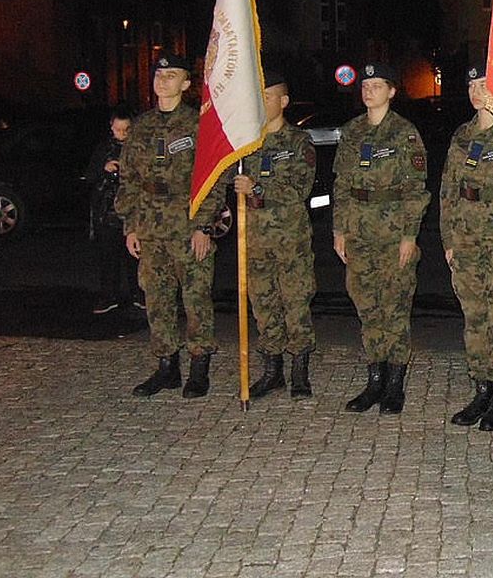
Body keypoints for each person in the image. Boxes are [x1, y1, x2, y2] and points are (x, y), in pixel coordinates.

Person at [115, 53, 223, 398]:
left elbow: (213, 178)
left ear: (186, 84)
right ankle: (166, 367)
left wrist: (204, 226)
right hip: (150, 225)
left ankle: (199, 367)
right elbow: (128, 178)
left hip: (186, 224)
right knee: (157, 299)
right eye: (159, 74)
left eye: (171, 75)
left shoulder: (198, 124)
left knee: (195, 299)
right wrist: (131, 225)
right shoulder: (141, 126)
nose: (163, 80)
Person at [332, 62, 429, 414]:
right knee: (366, 306)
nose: (368, 90)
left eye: (377, 85)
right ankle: (374, 379)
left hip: (392, 233)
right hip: (358, 231)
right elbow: (341, 185)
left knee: (395, 306)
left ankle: (394, 384)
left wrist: (409, 235)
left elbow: (416, 189)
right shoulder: (352, 132)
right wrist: (338, 229)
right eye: (365, 84)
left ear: (391, 91)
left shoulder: (404, 134)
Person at [440, 63, 493, 431]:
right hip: (467, 242)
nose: (477, 91)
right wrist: (448, 241)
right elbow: (447, 191)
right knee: (474, 319)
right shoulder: (462, 135)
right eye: (472, 85)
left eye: (484, 84)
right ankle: (481, 389)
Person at [232, 66, 318, 400]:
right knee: (263, 304)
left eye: (267, 95)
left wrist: (257, 188)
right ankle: (272, 371)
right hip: (253, 240)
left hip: (289, 240)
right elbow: (231, 181)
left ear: (283, 101)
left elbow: (300, 187)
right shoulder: (246, 144)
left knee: (295, 303)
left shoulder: (298, 141)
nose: (261, 101)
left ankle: (300, 372)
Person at [85, 105, 143, 315]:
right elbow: (89, 176)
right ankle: (108, 295)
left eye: (125, 130)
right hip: (107, 211)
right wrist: (104, 169)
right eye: (117, 130)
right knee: (108, 256)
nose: (121, 135)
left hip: (132, 211)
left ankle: (139, 293)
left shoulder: (138, 148)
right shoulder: (103, 148)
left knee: (135, 255)